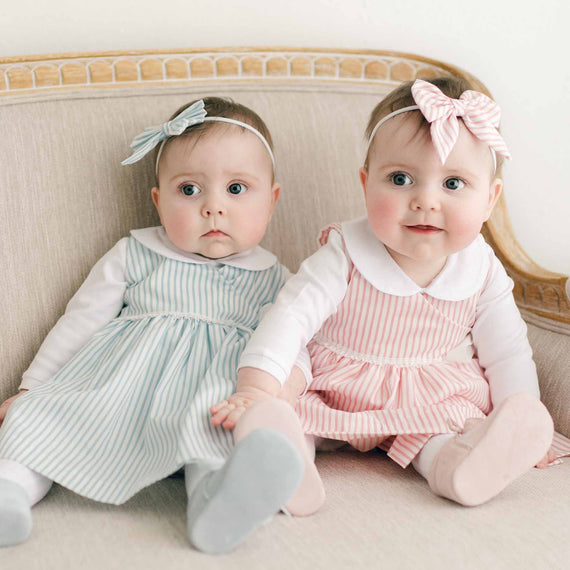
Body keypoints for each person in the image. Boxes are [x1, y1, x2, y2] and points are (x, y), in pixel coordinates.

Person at [211, 78, 570, 511]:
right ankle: (286, 465)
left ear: (490, 199)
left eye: (453, 184)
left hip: (425, 397)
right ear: (366, 185)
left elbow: (508, 352)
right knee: (291, 406)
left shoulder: (482, 269)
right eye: (400, 178)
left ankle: (460, 469)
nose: (425, 200)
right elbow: (290, 318)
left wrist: (522, 408)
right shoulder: (343, 252)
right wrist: (256, 388)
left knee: (438, 435)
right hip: (334, 387)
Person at [0, 97, 311, 553]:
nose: (213, 208)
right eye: (189, 190)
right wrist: (33, 387)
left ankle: (217, 500)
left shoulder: (279, 280)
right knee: (43, 419)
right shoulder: (135, 252)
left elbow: (293, 346)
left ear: (272, 200)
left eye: (237, 189)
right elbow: (80, 321)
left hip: (211, 392)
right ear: (158, 201)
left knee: (218, 427)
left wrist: (277, 394)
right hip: (116, 384)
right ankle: (10, 490)